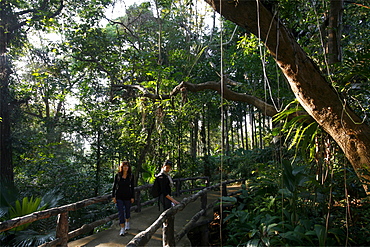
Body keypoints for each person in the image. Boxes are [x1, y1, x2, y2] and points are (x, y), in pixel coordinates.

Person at [112, 161, 135, 236]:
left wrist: (132, 197)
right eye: (124, 166)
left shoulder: (131, 176)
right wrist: (113, 196)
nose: (126, 168)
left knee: (127, 211)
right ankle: (122, 228)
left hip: (128, 196)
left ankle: (127, 222)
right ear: (122, 167)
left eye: (127, 166)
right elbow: (114, 186)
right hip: (119, 196)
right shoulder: (118, 176)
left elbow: (132, 187)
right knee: (121, 212)